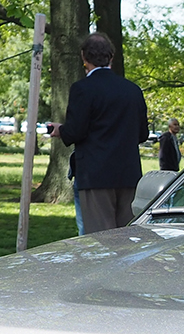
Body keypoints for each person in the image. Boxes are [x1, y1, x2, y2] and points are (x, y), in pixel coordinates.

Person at [48, 32, 148, 233]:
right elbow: (142, 134)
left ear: (84, 57)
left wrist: (61, 130)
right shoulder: (132, 90)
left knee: (100, 239)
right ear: (111, 56)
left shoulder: (83, 89)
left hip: (95, 174)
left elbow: (76, 130)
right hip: (128, 174)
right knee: (126, 238)